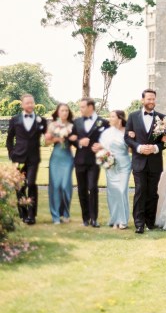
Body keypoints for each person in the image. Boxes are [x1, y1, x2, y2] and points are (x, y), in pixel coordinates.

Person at [125, 89, 166, 234]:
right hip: (139, 161)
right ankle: (139, 223)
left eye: (153, 99)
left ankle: (150, 222)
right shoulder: (132, 116)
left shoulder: (162, 118)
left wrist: (155, 148)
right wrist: (138, 147)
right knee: (140, 191)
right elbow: (127, 138)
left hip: (154, 162)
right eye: (149, 99)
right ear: (143, 100)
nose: (151, 102)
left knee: (152, 192)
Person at [6, 93, 47, 224]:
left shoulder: (41, 120)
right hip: (18, 157)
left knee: (31, 184)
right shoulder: (15, 119)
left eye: (32, 102)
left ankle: (31, 215)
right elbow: (9, 139)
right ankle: (23, 213)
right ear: (22, 105)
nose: (30, 105)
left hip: (33, 158)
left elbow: (49, 136)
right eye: (27, 103)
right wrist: (12, 154)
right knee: (20, 186)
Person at [71, 98, 109, 227]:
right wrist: (79, 142)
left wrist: (102, 145)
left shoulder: (103, 122)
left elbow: (110, 138)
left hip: (94, 161)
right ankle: (85, 219)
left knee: (93, 188)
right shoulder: (76, 122)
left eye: (82, 107)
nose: (80, 109)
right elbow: (71, 138)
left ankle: (94, 219)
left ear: (91, 107)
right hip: (80, 160)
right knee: (81, 189)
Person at [99, 110, 132, 230]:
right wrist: (105, 159)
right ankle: (114, 219)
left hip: (124, 164)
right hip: (110, 164)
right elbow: (101, 148)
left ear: (120, 118)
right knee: (112, 192)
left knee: (121, 190)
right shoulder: (106, 132)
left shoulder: (128, 132)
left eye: (112, 117)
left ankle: (123, 220)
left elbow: (131, 149)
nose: (110, 119)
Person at [45, 103, 74, 224]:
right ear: (58, 112)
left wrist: (71, 137)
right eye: (62, 110)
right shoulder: (52, 125)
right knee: (55, 186)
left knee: (66, 186)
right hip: (56, 157)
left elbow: (76, 141)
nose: (65, 112)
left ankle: (66, 214)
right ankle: (55, 216)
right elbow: (47, 142)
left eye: (66, 110)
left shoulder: (73, 125)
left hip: (67, 157)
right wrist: (57, 138)